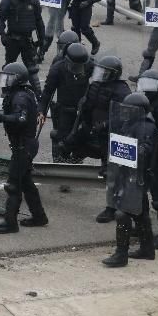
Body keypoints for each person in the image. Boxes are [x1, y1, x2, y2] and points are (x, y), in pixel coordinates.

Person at [61, 55, 131, 222]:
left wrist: (107, 124)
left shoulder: (122, 91)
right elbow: (86, 112)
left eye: (103, 71)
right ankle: (65, 175)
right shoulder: (94, 86)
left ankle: (112, 208)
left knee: (111, 175)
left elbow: (126, 116)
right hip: (92, 133)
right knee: (69, 147)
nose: (99, 73)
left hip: (112, 138)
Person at [0, 62, 49, 234]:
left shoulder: (21, 97)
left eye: (9, 79)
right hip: (24, 145)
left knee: (13, 185)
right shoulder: (20, 94)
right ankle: (39, 216)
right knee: (26, 182)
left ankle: (10, 223)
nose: (5, 82)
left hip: (24, 146)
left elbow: (20, 119)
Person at [101, 92, 157, 267]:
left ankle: (121, 255)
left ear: (138, 111)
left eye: (129, 109)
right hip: (130, 174)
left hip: (137, 176)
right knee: (140, 214)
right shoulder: (132, 123)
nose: (125, 112)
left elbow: (145, 150)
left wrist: (130, 151)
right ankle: (147, 249)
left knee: (122, 213)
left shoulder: (145, 127)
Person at [39, 42, 91, 162]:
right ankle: (59, 159)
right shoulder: (57, 69)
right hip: (64, 108)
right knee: (61, 137)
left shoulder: (89, 65)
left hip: (82, 108)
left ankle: (77, 159)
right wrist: (41, 111)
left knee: (81, 137)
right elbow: (47, 92)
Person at [0, 0, 45, 97]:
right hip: (12, 39)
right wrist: (3, 35)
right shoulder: (8, 1)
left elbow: (39, 22)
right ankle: (5, 91)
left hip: (28, 40)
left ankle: (38, 93)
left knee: (32, 67)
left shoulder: (33, 2)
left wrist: (42, 39)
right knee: (9, 66)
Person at [136, 69, 158, 250]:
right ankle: (142, 226)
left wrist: (157, 137)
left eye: (150, 85)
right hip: (149, 154)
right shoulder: (146, 104)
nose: (146, 89)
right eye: (143, 84)